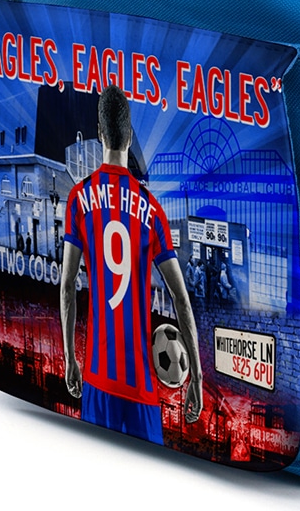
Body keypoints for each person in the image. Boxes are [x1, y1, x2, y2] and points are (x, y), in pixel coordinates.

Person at [60, 85, 203, 443]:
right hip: (140, 387)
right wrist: (197, 378)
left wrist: (69, 358)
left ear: (100, 133)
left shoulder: (79, 198)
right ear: (129, 137)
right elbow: (181, 299)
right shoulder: (152, 209)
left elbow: (66, 286)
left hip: (98, 380)